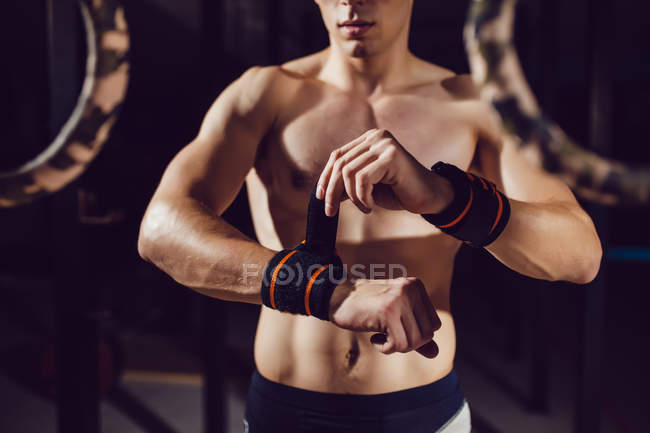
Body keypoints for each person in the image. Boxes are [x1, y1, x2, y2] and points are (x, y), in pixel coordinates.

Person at [137, 1, 602, 431]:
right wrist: (328, 293)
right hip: (286, 410)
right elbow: (161, 230)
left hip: (423, 412)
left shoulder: (474, 106)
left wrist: (445, 196)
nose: (351, 0)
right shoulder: (266, 93)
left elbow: (580, 255)